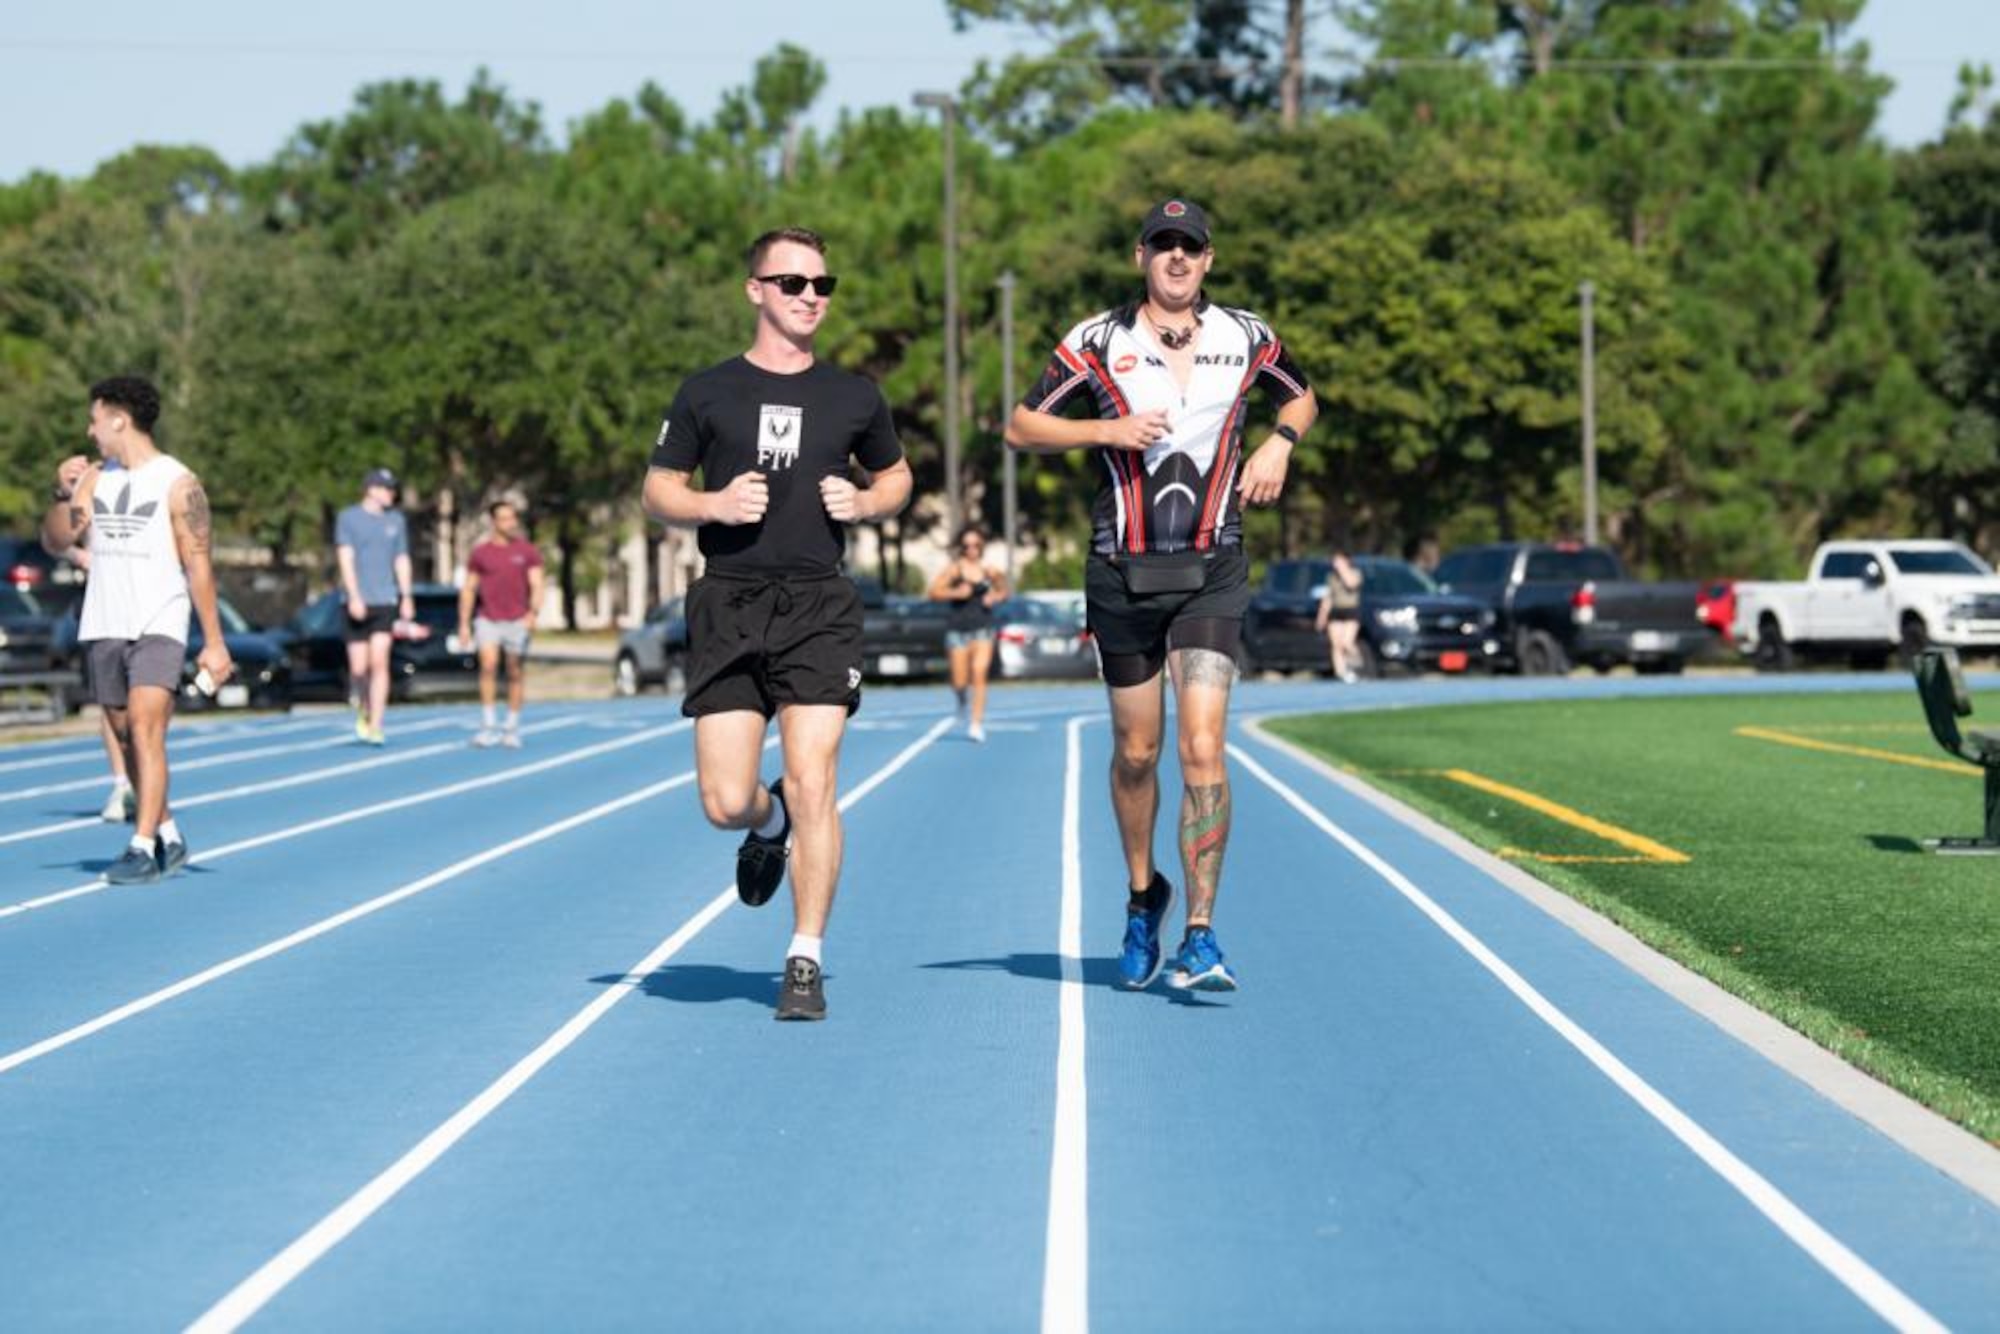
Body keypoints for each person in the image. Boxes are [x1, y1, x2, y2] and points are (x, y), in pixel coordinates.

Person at [1008, 197, 1318, 993]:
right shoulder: (1096, 340)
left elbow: (1302, 395)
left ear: (1209, 259)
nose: (1177, 258)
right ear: (1140, 256)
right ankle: (1145, 894)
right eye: (1163, 245)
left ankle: (1203, 933)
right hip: (1122, 572)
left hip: (1213, 567)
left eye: (1191, 246)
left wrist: (1280, 442)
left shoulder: (1244, 335)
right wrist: (1102, 432)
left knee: (1203, 746)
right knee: (1139, 754)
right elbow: (1021, 426)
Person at [642, 225, 913, 1022]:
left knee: (816, 779)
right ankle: (767, 825)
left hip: (819, 605)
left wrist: (865, 501)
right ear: (755, 290)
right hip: (728, 599)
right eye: (793, 283)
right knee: (726, 800)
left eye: (821, 286)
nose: (809, 298)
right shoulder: (706, 392)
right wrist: (712, 504)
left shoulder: (855, 395)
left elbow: (897, 475)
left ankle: (804, 957)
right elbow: (658, 489)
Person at [40, 375, 233, 884]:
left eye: (95, 419)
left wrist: (214, 642)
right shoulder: (95, 479)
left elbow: (199, 567)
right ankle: (167, 829)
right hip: (105, 618)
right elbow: (57, 540)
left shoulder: (178, 482)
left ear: (118, 418)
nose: (90, 431)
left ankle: (142, 844)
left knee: (148, 727)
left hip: (160, 620)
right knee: (126, 735)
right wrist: (62, 492)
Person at [458, 499, 545, 748]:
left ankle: (511, 726)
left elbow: (538, 584)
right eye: (504, 518)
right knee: (488, 666)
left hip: (518, 619)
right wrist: (464, 623)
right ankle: (488, 725)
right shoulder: (481, 553)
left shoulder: (527, 551)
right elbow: (469, 588)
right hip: (488, 619)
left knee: (515, 670)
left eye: (512, 518)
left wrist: (533, 613)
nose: (510, 523)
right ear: (494, 522)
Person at [335, 467, 413, 746]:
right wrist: (354, 596)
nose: (392, 494)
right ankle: (364, 709)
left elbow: (401, 559)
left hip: (385, 601)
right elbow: (345, 557)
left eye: (393, 489)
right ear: (371, 489)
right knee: (359, 667)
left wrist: (406, 596)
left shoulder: (397, 521)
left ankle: (377, 722)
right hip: (357, 601)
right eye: (387, 488)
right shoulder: (348, 518)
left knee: (379, 661)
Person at [927, 525, 1008, 742]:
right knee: (959, 680)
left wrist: (996, 596)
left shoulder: (990, 570)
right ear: (961, 548)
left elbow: (1004, 591)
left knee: (979, 673)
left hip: (983, 627)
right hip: (958, 629)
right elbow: (933, 592)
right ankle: (962, 700)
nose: (971, 549)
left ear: (982, 546)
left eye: (976, 545)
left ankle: (976, 723)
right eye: (967, 545)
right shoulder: (955, 569)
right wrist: (956, 592)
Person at [1315, 549, 1365, 683]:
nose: (1335, 563)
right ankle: (1341, 673)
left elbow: (1351, 584)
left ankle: (1358, 665)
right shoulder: (1331, 577)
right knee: (1336, 644)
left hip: (1351, 610)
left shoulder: (1356, 573)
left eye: (1339, 561)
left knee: (1347, 643)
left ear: (1346, 561)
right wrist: (1322, 616)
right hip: (1336, 611)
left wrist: (1343, 571)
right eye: (1334, 561)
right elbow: (1328, 597)